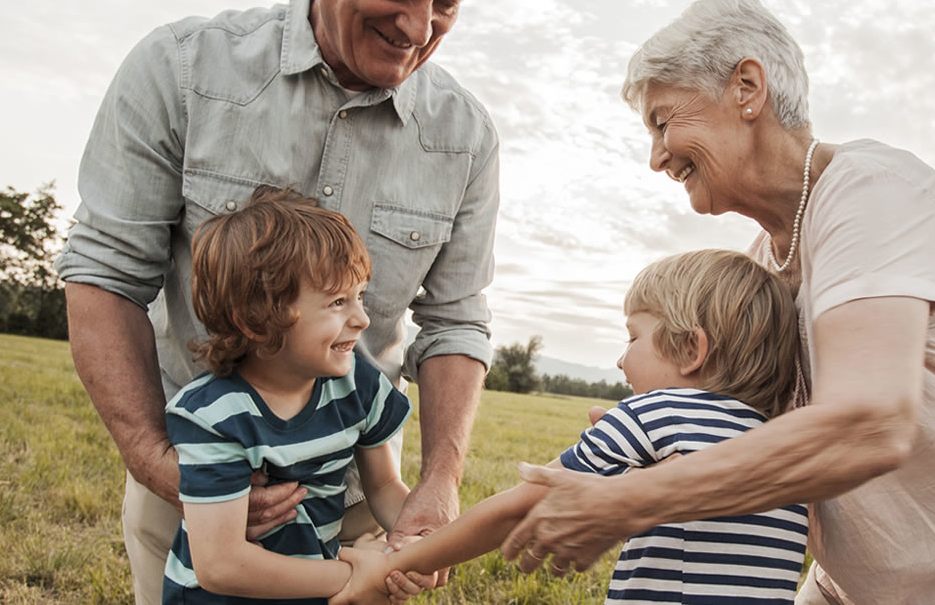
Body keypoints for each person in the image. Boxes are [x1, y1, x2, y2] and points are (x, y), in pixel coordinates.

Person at [500, 0, 935, 604]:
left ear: (747, 88)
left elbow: (869, 423)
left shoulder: (872, 192)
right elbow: (764, 438)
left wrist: (629, 502)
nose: (656, 157)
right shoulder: (763, 262)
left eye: (663, 121)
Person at [53, 0, 498, 602]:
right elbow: (104, 275)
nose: (419, 26)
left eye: (447, 2)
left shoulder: (465, 137)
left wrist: (439, 484)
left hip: (357, 492)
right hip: (195, 482)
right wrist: (166, 462)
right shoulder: (182, 69)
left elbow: (455, 324)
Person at [344, 249, 809, 605]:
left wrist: (404, 561)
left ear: (691, 350)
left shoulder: (655, 414)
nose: (621, 359)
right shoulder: (786, 451)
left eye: (633, 336)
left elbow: (518, 507)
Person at [163, 187, 410, 603]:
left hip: (312, 590)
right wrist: (352, 575)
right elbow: (221, 564)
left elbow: (384, 484)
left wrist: (411, 541)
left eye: (360, 296)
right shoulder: (214, 415)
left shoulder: (356, 385)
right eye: (337, 302)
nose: (362, 319)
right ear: (259, 321)